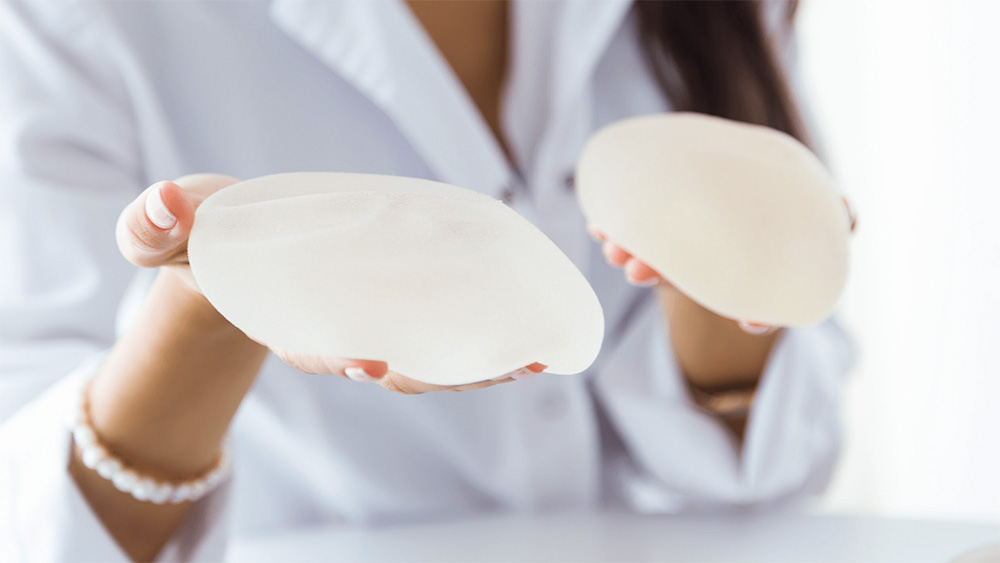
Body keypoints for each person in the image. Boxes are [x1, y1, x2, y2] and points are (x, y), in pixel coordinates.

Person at [0, 1, 855, 561]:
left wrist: (728, 267)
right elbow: (41, 526)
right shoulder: (74, 23)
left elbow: (782, 470)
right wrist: (210, 305)